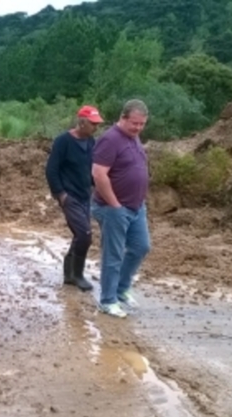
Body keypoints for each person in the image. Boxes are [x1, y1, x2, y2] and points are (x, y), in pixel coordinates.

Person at [91, 99, 151, 318]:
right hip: (113, 208)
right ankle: (108, 300)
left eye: (142, 124)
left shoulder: (133, 138)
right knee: (113, 255)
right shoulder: (110, 139)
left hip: (136, 208)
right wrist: (114, 205)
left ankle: (121, 288)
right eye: (134, 123)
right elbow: (98, 173)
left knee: (141, 247)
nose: (138, 128)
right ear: (123, 117)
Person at [45, 105, 104, 291]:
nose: (96, 127)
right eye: (93, 123)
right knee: (85, 235)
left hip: (84, 195)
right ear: (82, 122)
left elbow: (90, 169)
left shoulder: (90, 142)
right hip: (69, 196)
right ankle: (77, 275)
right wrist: (60, 194)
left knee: (80, 235)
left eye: (97, 124)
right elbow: (51, 169)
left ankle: (69, 274)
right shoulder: (63, 141)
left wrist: (99, 187)